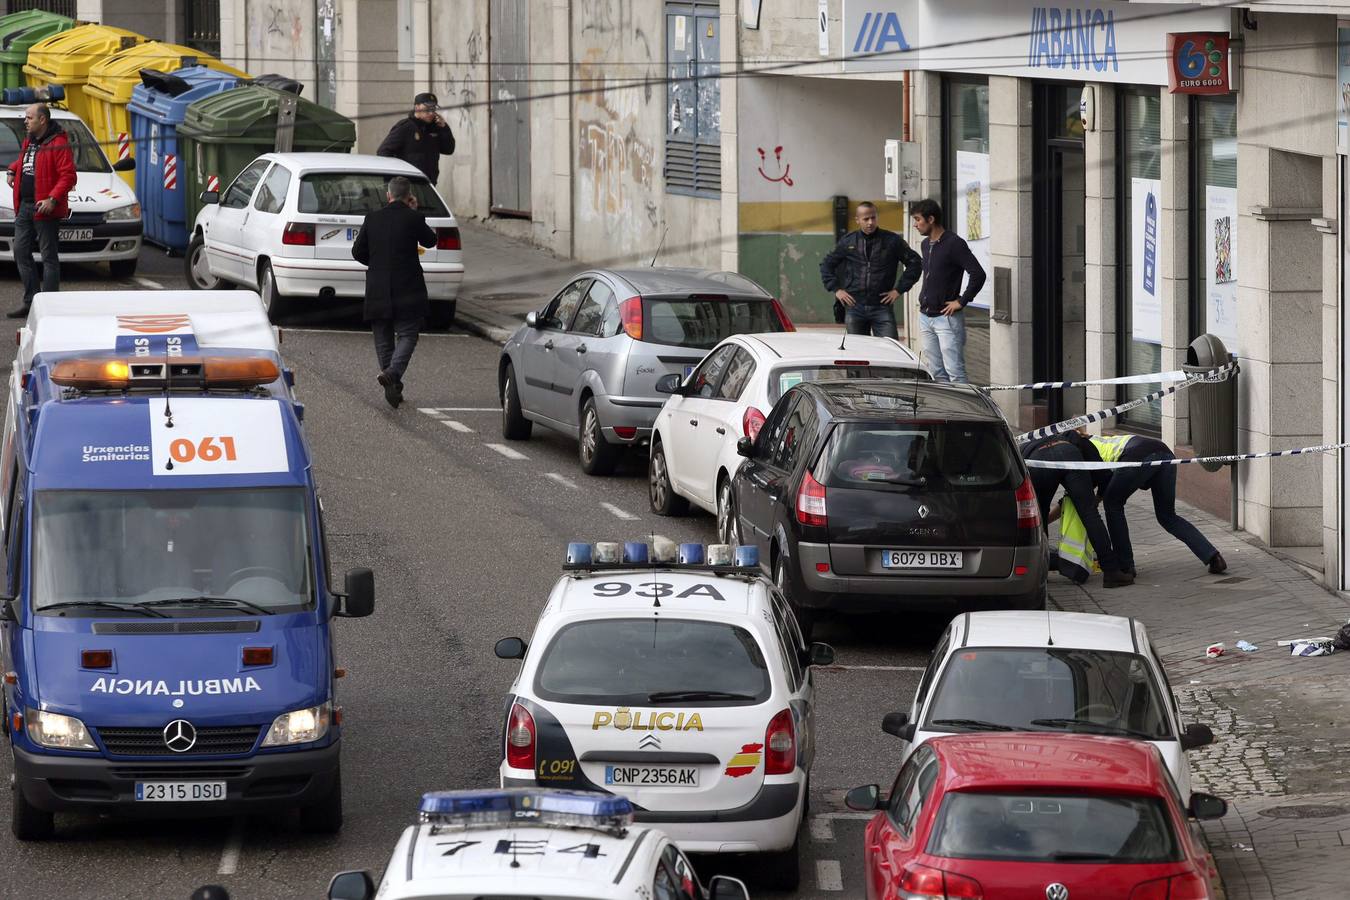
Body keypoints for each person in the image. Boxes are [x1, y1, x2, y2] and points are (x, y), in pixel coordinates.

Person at [352, 176, 437, 408]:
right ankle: (393, 374)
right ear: (409, 197)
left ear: (388, 195)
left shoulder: (372, 218)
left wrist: (378, 262)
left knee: (383, 337)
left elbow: (357, 252)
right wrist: (416, 212)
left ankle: (391, 379)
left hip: (378, 286)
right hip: (407, 287)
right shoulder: (414, 217)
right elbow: (431, 241)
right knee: (408, 334)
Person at [1089, 433, 1227, 577]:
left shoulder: (1084, 448)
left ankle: (1125, 566)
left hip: (1138, 457)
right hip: (1165, 454)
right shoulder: (1098, 440)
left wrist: (1095, 501)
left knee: (1113, 504)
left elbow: (1102, 480)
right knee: (1168, 516)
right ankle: (1214, 558)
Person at [1022, 430, 1134, 588]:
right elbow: (1105, 477)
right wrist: (1095, 499)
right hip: (1068, 454)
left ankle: (1041, 573)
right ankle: (1111, 572)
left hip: (1037, 461)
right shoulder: (1081, 441)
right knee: (1090, 515)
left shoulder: (1029, 441)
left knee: (1039, 517)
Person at [5, 103, 76, 318]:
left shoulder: (59, 143)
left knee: (48, 257)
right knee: (21, 252)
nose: (25, 121)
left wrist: (53, 199)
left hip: (44, 209)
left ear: (42, 120)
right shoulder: (30, 140)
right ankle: (31, 301)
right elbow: (27, 161)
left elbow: (68, 175)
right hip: (24, 206)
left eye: (29, 118)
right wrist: (13, 169)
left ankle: (50, 307)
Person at [819, 200, 921, 339]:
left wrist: (898, 290)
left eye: (873, 217)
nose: (870, 222)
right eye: (865, 219)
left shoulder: (891, 241)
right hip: (854, 306)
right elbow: (826, 265)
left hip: (882, 305)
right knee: (859, 353)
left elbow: (915, 263)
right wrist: (837, 289)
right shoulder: (848, 241)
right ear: (857, 220)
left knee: (890, 349)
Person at [911, 198, 986, 383]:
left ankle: (964, 411)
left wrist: (961, 301)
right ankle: (946, 411)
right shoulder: (925, 244)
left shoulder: (954, 243)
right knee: (936, 372)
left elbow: (978, 274)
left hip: (946, 318)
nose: (915, 225)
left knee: (955, 371)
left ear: (931, 219)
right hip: (925, 316)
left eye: (918, 219)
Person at [376, 92, 456, 183]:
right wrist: (396, 180)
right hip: (408, 185)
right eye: (427, 109)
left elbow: (449, 149)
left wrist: (444, 128)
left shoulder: (435, 127)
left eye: (433, 109)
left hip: (428, 184)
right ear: (417, 108)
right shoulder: (406, 127)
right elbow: (383, 151)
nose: (431, 113)